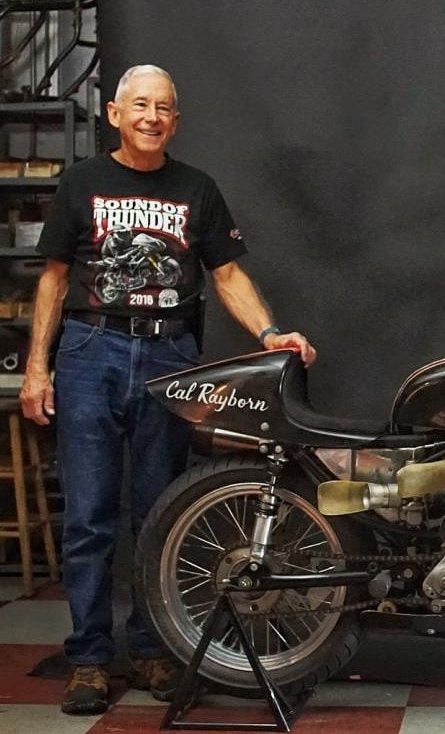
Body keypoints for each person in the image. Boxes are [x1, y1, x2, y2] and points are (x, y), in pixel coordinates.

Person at [19, 64, 318, 716]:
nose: (152, 116)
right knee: (89, 514)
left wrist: (269, 331)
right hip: (89, 350)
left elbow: (228, 273)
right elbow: (53, 279)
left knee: (160, 513)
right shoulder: (82, 183)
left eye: (165, 108)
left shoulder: (197, 190)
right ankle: (90, 659)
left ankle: (154, 647)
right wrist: (37, 369)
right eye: (140, 105)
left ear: (175, 121)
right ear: (116, 115)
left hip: (168, 356)